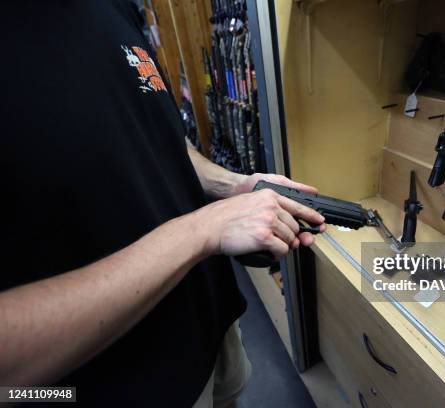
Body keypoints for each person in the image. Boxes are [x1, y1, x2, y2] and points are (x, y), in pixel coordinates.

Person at [0, 1, 324, 406]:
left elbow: (153, 134)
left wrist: (232, 185)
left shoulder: (112, 7)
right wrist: (203, 230)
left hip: (210, 332)